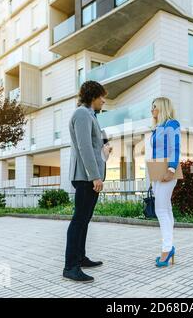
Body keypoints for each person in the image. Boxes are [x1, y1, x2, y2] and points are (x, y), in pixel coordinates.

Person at [63, 81, 112, 283]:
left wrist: (105, 145)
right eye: (102, 96)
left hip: (89, 176)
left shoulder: (90, 115)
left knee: (84, 219)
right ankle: (70, 266)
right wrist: (95, 176)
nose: (103, 100)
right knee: (79, 220)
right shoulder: (82, 114)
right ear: (93, 95)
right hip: (85, 177)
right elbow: (84, 147)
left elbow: (94, 143)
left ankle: (80, 258)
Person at [150, 97, 181, 268]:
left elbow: (175, 147)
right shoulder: (157, 128)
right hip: (157, 172)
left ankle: (166, 249)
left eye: (154, 107)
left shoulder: (172, 124)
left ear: (162, 107)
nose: (152, 110)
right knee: (166, 209)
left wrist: (171, 169)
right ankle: (169, 247)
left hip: (167, 171)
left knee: (160, 210)